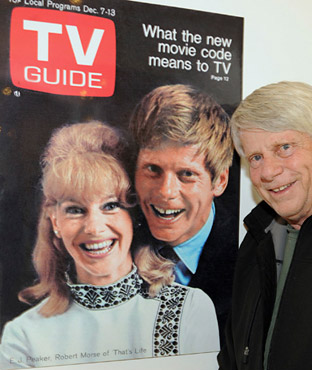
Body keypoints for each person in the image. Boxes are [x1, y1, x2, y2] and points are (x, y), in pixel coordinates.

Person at [0, 121, 219, 369]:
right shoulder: (24, 335)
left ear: (134, 215)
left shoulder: (188, 311)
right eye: (75, 210)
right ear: (55, 221)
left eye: (111, 205)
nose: (94, 228)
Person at [218, 81, 312, 370]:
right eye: (256, 157)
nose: (267, 172)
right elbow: (233, 355)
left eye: (284, 147)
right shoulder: (258, 237)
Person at [129, 84, 238, 343]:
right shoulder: (110, 238)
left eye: (186, 174)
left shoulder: (247, 255)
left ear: (219, 181)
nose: (166, 192)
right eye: (152, 169)